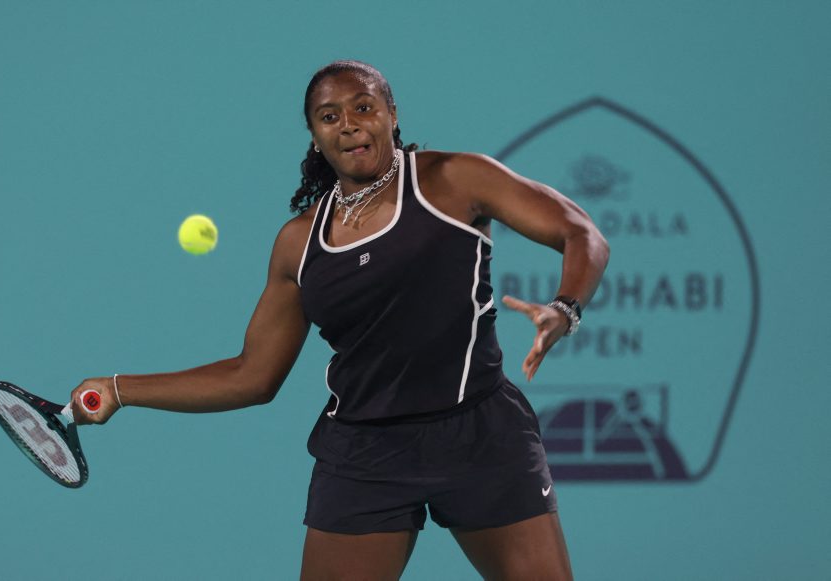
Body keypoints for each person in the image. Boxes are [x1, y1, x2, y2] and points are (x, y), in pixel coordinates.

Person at [71, 60, 609, 580]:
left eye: (363, 107)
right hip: (365, 453)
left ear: (392, 115)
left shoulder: (454, 179)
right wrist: (119, 389)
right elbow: (252, 376)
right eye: (329, 116)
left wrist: (565, 307)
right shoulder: (299, 242)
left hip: (480, 433)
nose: (348, 124)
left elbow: (580, 232)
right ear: (314, 135)